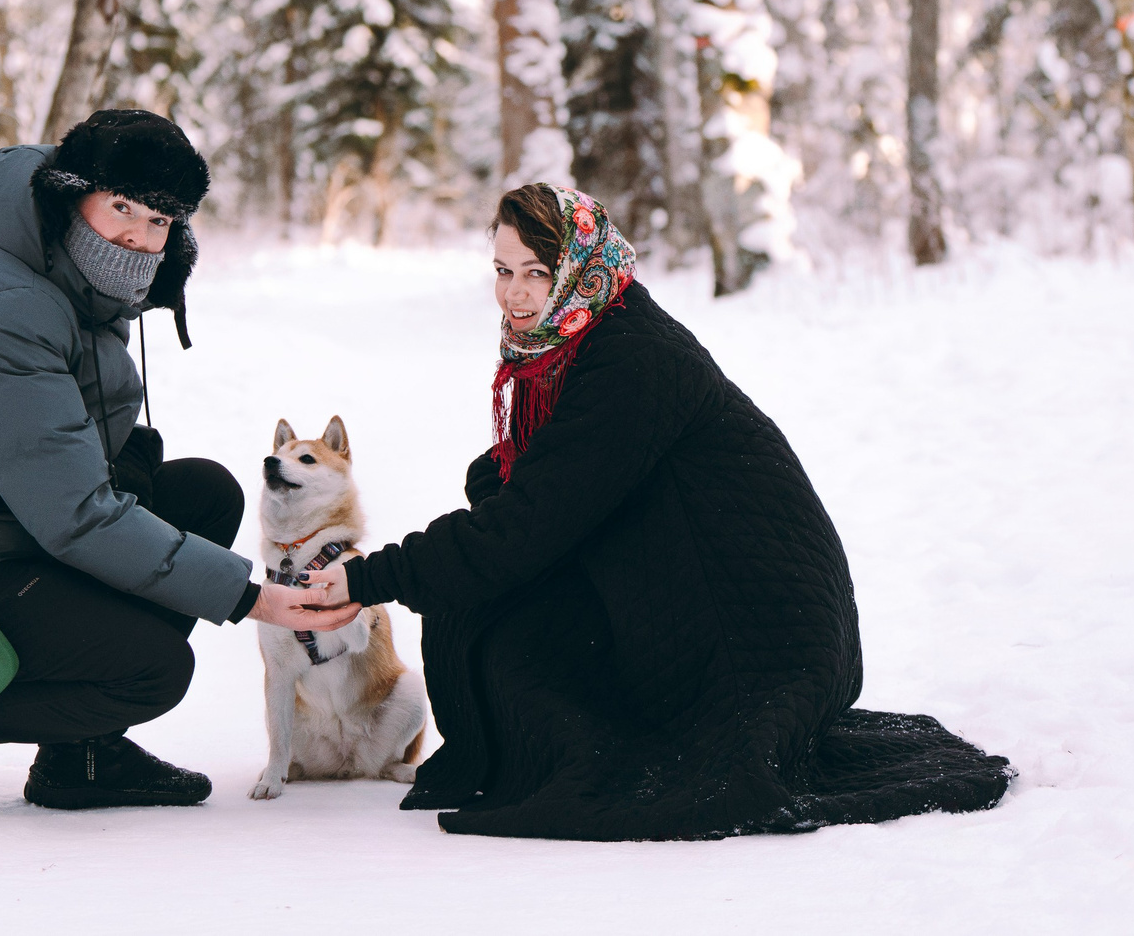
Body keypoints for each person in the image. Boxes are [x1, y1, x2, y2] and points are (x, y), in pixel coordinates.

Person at [297, 181, 1013, 840]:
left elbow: (532, 519)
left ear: (576, 268)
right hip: (680, 585)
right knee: (486, 602)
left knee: (506, 630)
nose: (514, 295)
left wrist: (371, 578)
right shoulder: (574, 337)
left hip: (752, 626)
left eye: (537, 273)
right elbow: (540, 489)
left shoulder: (628, 357)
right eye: (502, 270)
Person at [0, 108, 356, 813]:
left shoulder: (72, 279)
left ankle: (82, 755)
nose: (138, 235)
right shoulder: (7, 307)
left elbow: (68, 465)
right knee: (151, 672)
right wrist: (254, 598)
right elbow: (73, 516)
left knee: (202, 495)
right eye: (122, 207)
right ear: (74, 194)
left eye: (160, 222)